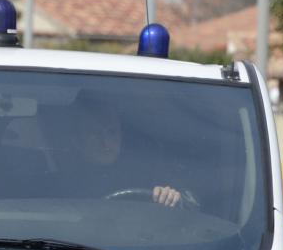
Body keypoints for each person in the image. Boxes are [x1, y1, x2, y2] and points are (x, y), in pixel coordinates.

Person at [49, 89, 185, 207]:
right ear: (77, 140)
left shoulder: (147, 176)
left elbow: (187, 206)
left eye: (112, 132)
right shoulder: (61, 186)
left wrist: (169, 197)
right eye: (95, 134)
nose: (106, 143)